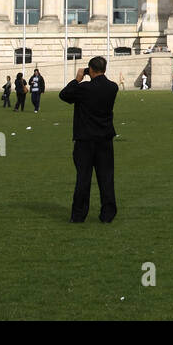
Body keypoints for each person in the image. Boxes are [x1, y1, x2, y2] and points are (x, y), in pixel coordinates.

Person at [59, 58, 119, 224]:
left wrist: (77, 79)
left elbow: (64, 95)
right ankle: (107, 214)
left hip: (85, 139)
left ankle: (79, 214)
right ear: (104, 69)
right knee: (106, 178)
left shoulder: (84, 88)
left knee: (83, 178)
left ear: (90, 70)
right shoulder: (113, 87)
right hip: (105, 139)